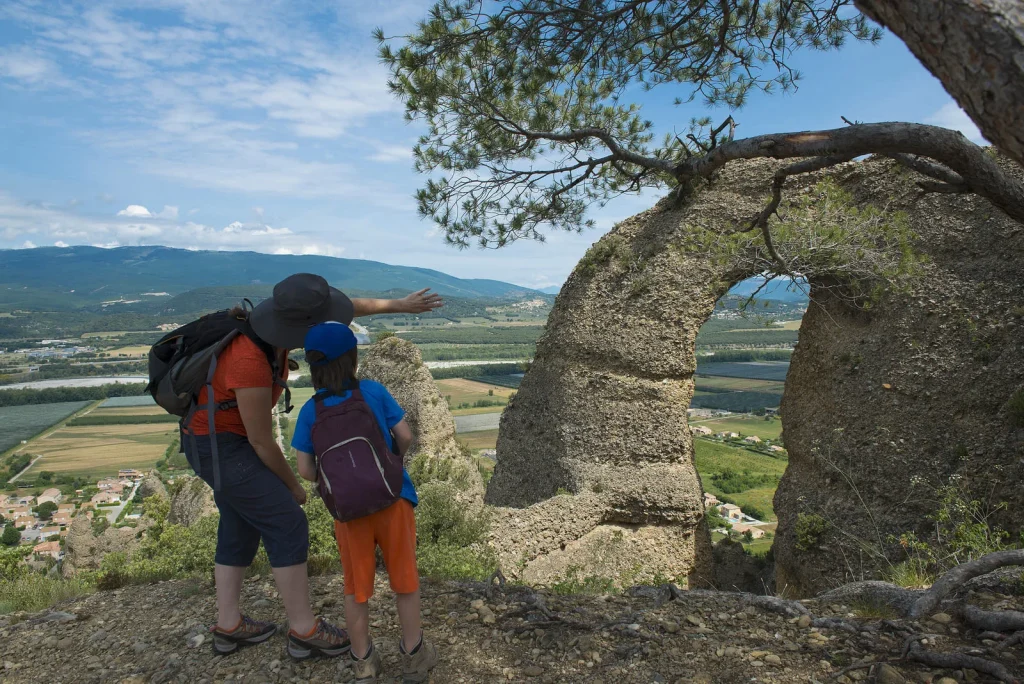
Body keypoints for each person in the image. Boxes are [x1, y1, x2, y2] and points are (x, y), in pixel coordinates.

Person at [185, 273, 442, 658]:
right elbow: (259, 440)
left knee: (239, 523)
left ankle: (229, 624)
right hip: (220, 444)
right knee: (285, 520)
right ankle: (304, 630)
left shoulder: (295, 359)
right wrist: (293, 487)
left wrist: (400, 305)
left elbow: (348, 308)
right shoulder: (249, 361)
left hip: (248, 453)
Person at [292, 322, 438, 683]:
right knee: (404, 579)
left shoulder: (311, 411)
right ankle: (414, 654)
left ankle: (363, 662)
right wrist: (389, 462)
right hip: (393, 499)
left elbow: (305, 469)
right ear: (353, 358)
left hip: (348, 512)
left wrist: (341, 479)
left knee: (356, 588)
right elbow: (404, 435)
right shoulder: (373, 392)